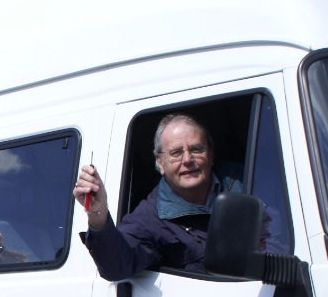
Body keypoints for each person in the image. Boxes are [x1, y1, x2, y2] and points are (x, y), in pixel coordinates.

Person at [73, 113, 245, 281]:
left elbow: (271, 229)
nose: (187, 159)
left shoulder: (244, 180)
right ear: (160, 163)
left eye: (196, 149)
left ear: (210, 154)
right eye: (176, 153)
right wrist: (98, 215)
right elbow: (117, 266)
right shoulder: (149, 219)